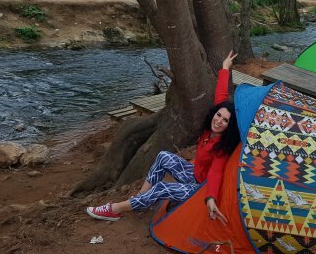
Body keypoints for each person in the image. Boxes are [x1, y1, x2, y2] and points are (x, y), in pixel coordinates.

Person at [86, 51, 240, 225]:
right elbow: (221, 95)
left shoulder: (222, 147)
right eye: (218, 115)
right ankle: (141, 200)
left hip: (199, 189)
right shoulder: (210, 128)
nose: (219, 121)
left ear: (230, 126)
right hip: (193, 174)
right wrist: (225, 68)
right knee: (163, 156)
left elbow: (216, 172)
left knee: (162, 187)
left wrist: (210, 198)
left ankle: (116, 209)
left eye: (225, 120)